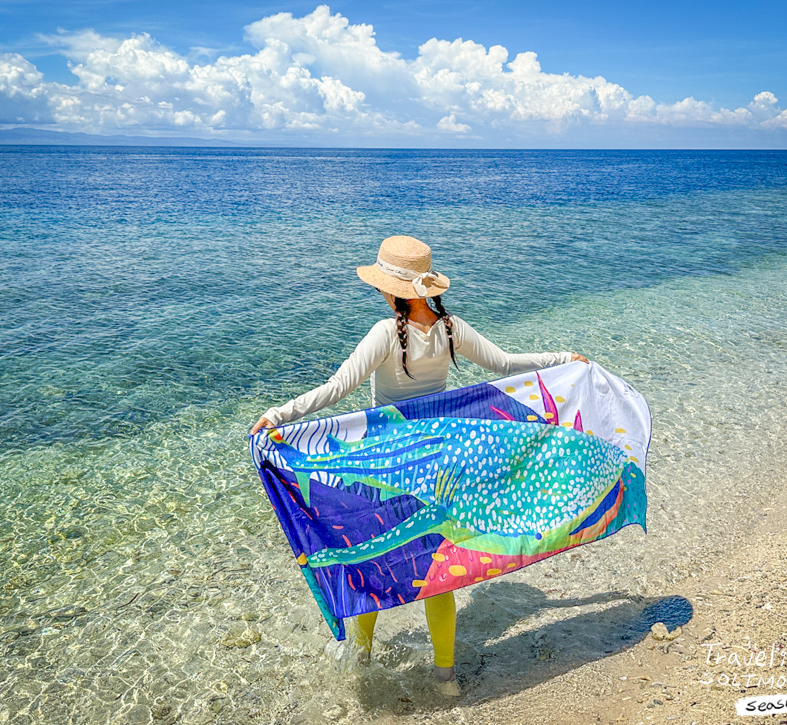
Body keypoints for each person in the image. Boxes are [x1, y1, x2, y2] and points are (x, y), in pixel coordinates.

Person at [250, 235, 588, 696]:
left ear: (393, 290)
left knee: (369, 559)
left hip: (388, 466)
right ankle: (446, 678)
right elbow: (506, 364)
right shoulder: (453, 329)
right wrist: (563, 359)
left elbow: (337, 388)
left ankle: (361, 659)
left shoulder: (386, 332)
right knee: (439, 567)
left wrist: (279, 415)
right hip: (439, 466)